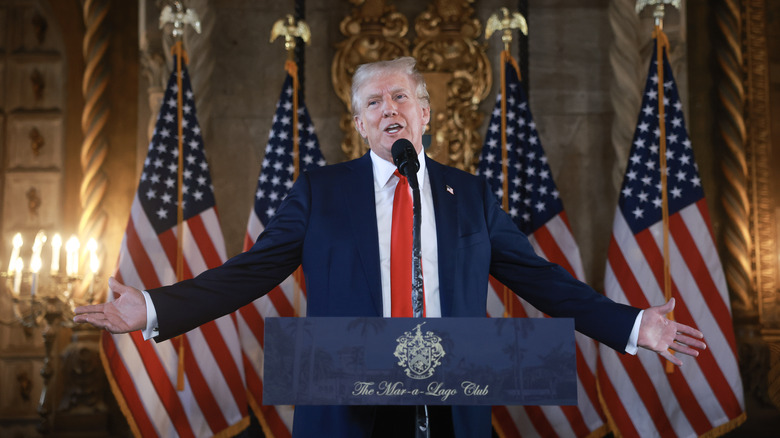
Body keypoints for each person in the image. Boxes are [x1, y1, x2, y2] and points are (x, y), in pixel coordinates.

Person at [74, 57, 706, 438]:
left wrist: (633, 325)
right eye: (373, 102)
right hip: (348, 410)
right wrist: (154, 309)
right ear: (358, 123)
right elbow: (251, 273)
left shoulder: (471, 195)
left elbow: (543, 281)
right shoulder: (321, 192)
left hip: (451, 406)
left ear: (425, 113)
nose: (388, 109)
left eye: (400, 96)